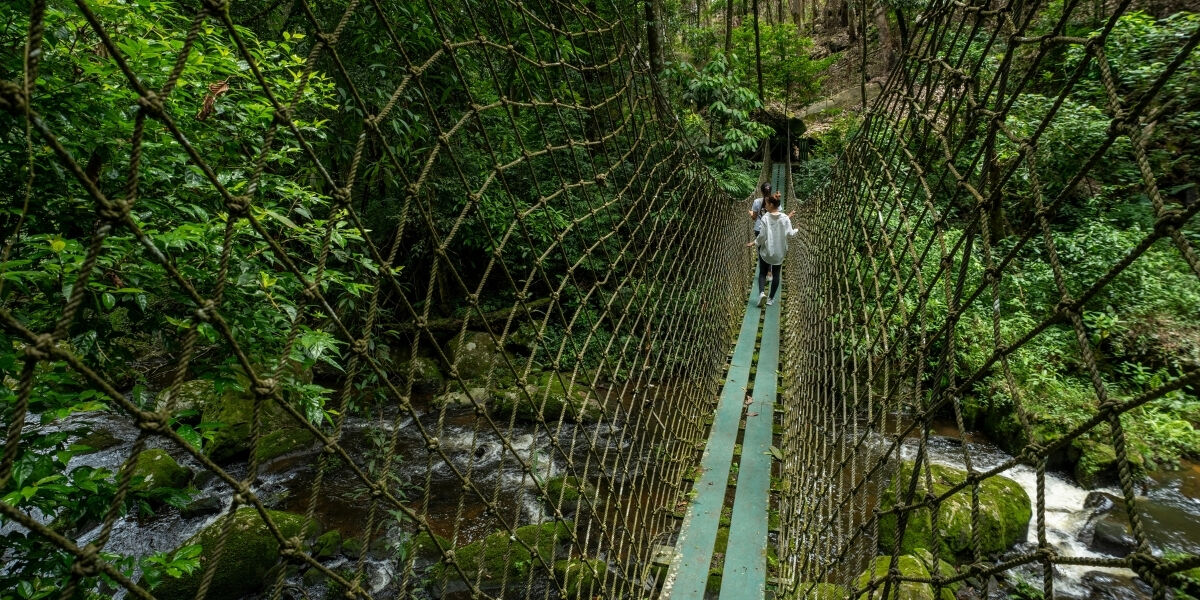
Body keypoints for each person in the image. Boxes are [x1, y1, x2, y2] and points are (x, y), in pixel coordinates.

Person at [746, 194, 797, 307]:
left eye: (767, 203)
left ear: (772, 204)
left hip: (767, 250)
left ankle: (761, 293)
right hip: (779, 252)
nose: (765, 206)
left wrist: (754, 242)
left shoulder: (765, 218)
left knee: (763, 272)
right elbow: (790, 233)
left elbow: (762, 236)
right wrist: (797, 230)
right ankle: (771, 299)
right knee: (776, 274)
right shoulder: (785, 217)